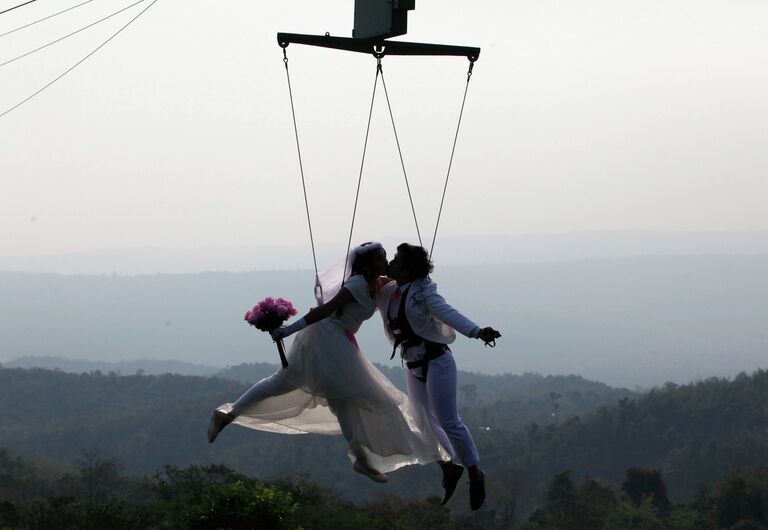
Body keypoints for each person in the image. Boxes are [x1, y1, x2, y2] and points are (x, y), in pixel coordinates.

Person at [207, 242, 447, 482]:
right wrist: (287, 330)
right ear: (366, 264)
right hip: (327, 337)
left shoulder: (380, 283)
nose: (385, 263)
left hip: (340, 339)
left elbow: (411, 282)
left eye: (386, 259)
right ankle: (229, 414)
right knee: (300, 384)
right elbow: (322, 311)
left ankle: (361, 457)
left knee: (330, 393)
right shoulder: (355, 285)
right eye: (380, 259)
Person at [376, 243, 501, 510]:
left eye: (397, 260)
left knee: (448, 420)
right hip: (413, 364)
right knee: (423, 421)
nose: (392, 263)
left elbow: (447, 313)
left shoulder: (424, 294)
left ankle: (474, 472)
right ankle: (448, 465)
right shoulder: (390, 290)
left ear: (408, 269)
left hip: (437, 361)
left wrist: (477, 332)